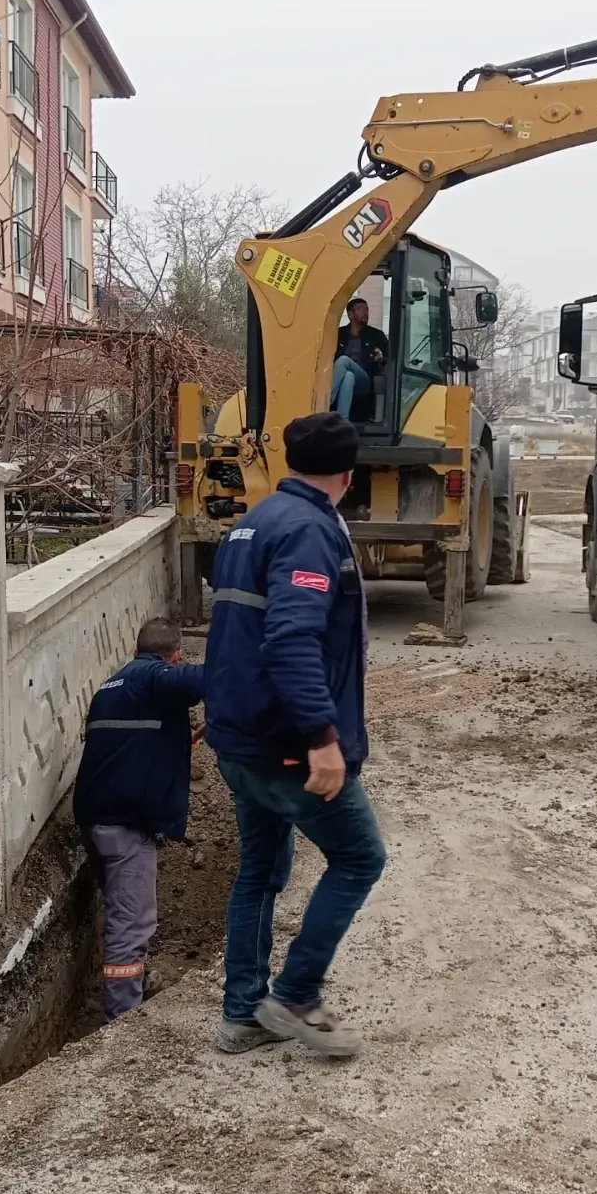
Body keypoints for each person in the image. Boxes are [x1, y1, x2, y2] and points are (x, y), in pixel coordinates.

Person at [204, 411, 386, 1058]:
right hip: (284, 740)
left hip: (239, 735)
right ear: (348, 474)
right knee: (361, 857)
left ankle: (243, 1014)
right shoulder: (311, 530)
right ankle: (297, 994)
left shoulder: (250, 524)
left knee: (259, 870)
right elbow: (290, 639)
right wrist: (321, 737)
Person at [72, 616, 204, 1024]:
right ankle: (121, 1022)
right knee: (132, 926)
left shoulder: (112, 686)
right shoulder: (153, 678)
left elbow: (136, 742)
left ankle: (131, 988)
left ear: (134, 650)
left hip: (95, 820)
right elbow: (204, 680)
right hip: (125, 827)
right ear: (176, 657)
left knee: (119, 912)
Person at [331, 297, 388, 421]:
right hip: (344, 380)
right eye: (361, 309)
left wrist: (381, 357)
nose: (365, 312)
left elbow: (390, 358)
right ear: (351, 314)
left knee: (343, 360)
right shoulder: (337, 334)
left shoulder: (376, 335)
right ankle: (342, 422)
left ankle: (327, 399)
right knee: (348, 377)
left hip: (364, 381)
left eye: (367, 309)